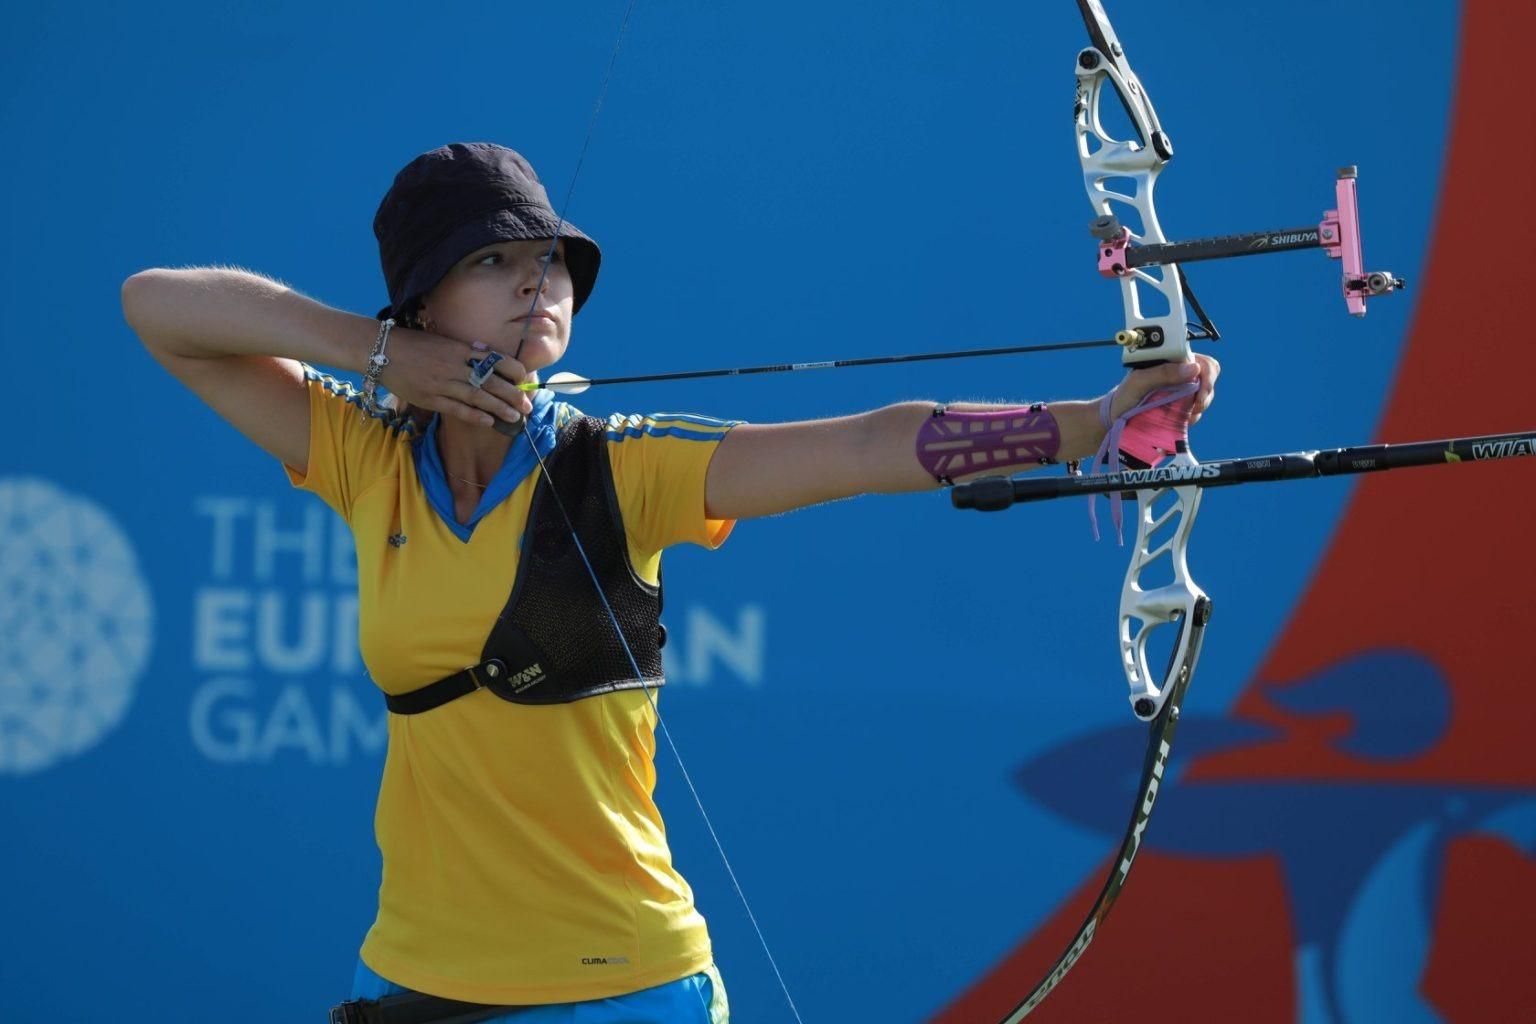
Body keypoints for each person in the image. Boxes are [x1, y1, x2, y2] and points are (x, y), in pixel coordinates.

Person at [121, 142, 1218, 1024]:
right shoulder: (367, 459)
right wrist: (369, 351)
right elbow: (157, 308)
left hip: (622, 986)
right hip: (412, 981)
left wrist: (1085, 423)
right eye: (494, 262)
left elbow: (862, 447)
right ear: (419, 301)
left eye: (549, 262)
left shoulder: (619, 465)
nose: (538, 282)